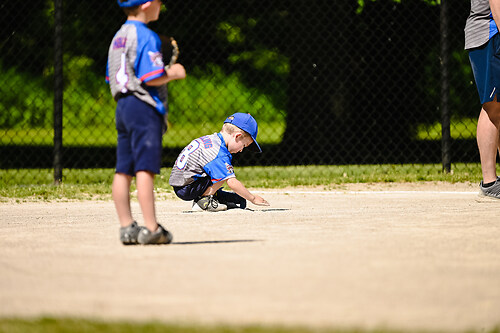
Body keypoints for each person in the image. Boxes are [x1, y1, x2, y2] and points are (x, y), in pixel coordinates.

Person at [106, 0, 186, 244]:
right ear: (146, 5)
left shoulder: (118, 37)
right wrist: (175, 72)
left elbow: (112, 75)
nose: (162, 5)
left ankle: (126, 226)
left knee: (123, 170)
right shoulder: (146, 36)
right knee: (145, 168)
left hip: (123, 106)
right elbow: (150, 77)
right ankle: (152, 228)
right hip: (143, 108)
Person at [169, 113, 270, 211]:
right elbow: (232, 182)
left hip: (184, 183)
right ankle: (205, 200)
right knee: (225, 173)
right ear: (237, 136)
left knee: (221, 171)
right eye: (244, 145)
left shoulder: (212, 140)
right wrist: (253, 198)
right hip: (188, 188)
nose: (241, 150)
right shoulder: (219, 153)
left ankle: (215, 194)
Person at [465, 0, 500, 199]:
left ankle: (492, 181)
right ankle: (489, 181)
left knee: (497, 106)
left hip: (490, 33)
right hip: (490, 33)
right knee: (493, 106)